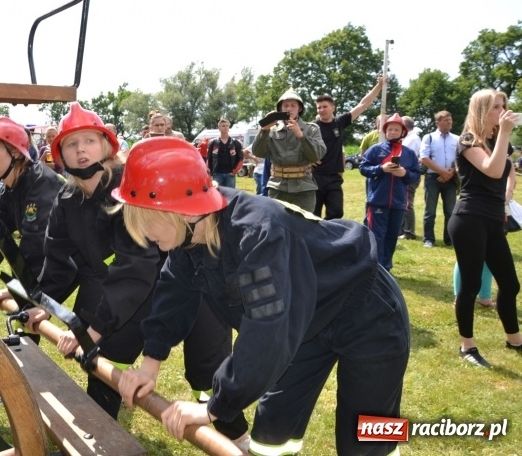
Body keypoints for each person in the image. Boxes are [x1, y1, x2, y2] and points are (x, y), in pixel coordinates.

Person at [114, 138, 410, 456]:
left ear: (183, 212)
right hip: (306, 323)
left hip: (367, 311)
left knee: (366, 435)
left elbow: (267, 328)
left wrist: (213, 408)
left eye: (146, 221)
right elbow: (172, 295)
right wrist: (149, 367)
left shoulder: (257, 235)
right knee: (271, 436)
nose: (143, 234)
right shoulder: (191, 235)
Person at [25, 105, 246, 447]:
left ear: (106, 146)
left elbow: (135, 266)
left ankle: (239, 441)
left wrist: (94, 328)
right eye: (71, 144)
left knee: (208, 372)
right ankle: (98, 443)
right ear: (60, 154)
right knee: (104, 362)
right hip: (129, 294)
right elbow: (58, 260)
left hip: (185, 282)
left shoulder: (128, 189)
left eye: (89, 141)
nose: (81, 150)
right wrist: (42, 303)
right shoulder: (67, 198)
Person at [449, 89, 522, 368]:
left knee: (510, 284)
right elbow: (491, 169)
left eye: (503, 106)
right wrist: (505, 132)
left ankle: (514, 339)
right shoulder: (468, 140)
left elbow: (506, 167)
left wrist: (510, 188)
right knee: (471, 285)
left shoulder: (496, 140)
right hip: (469, 219)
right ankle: (467, 346)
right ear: (481, 110)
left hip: (492, 219)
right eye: (495, 107)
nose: (502, 111)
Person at [0, 116, 65, 287]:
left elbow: (36, 243)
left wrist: (21, 288)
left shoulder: (41, 184)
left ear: (15, 152)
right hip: (64, 262)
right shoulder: (11, 187)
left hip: (91, 264)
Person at [313, 76, 385, 219]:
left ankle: (329, 232)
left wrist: (379, 86)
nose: (321, 110)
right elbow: (300, 145)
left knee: (336, 212)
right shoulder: (312, 127)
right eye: (319, 107)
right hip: (315, 177)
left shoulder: (339, 122)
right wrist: (308, 160)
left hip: (334, 177)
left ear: (333, 108)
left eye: (325, 106)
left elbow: (363, 105)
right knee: (313, 214)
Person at [359, 114, 421, 270]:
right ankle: (375, 268)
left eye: (396, 129)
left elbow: (416, 175)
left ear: (403, 132)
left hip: (398, 202)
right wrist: (381, 169)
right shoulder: (375, 150)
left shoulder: (409, 153)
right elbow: (363, 168)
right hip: (377, 201)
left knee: (392, 236)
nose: (392, 132)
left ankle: (386, 268)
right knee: (376, 236)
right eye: (390, 129)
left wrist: (405, 173)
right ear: (385, 131)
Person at [252, 89, 326, 212]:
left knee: (304, 223)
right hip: (277, 188)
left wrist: (301, 135)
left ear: (299, 108)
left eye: (293, 105)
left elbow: (316, 156)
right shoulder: (272, 129)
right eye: (285, 105)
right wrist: (264, 130)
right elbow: (258, 152)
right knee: (277, 223)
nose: (289, 109)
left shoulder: (311, 129)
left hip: (303, 189)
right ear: (280, 108)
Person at [420, 110, 459, 248]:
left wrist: (451, 172)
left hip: (451, 179)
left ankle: (450, 239)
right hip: (432, 178)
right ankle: (428, 239)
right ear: (438, 122)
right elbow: (424, 158)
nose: (449, 122)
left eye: (450, 119)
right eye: (446, 120)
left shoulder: (457, 139)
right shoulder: (429, 137)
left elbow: (461, 158)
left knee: (450, 211)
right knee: (430, 211)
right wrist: (442, 172)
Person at [399, 116, 422, 240]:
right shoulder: (409, 138)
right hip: (405, 174)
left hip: (409, 175)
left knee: (407, 203)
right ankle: (403, 230)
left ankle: (409, 232)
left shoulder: (412, 139)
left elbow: (407, 159)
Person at [206, 118, 243, 189]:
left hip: (230, 174)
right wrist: (209, 172)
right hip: (217, 173)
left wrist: (235, 171)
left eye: (227, 126)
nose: (225, 127)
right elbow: (209, 158)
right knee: (217, 193)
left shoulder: (235, 142)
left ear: (229, 127)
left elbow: (240, 158)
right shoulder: (213, 142)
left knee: (230, 194)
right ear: (219, 128)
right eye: (223, 126)